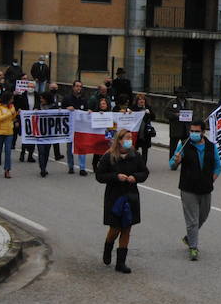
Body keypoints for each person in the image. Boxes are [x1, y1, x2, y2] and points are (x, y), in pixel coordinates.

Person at [94, 128, 149, 274]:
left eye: (130, 138)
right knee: (115, 228)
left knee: (127, 228)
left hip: (131, 196)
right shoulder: (109, 156)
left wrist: (135, 177)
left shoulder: (136, 155)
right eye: (126, 138)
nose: (129, 141)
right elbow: (99, 176)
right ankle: (108, 246)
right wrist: (116, 176)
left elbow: (145, 172)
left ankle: (121, 262)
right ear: (119, 140)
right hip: (115, 196)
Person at [170, 119, 221, 260]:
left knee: (203, 216)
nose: (193, 134)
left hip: (205, 189)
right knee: (192, 220)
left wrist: (212, 179)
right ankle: (193, 247)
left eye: (196, 131)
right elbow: (172, 165)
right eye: (191, 131)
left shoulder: (211, 147)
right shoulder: (184, 145)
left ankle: (189, 237)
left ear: (203, 132)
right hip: (188, 188)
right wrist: (176, 160)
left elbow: (218, 166)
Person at [61, 80, 89, 175]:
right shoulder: (67, 98)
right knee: (70, 148)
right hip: (70, 127)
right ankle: (71, 166)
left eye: (80, 86)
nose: (78, 88)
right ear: (73, 87)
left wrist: (89, 111)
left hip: (81, 128)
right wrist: (66, 109)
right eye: (77, 86)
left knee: (82, 147)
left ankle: (82, 168)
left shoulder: (84, 99)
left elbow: (86, 111)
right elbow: (59, 110)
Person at [0, 90, 18, 178]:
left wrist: (16, 114)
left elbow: (12, 117)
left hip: (9, 132)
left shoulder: (12, 107)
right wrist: (9, 113)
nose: (12, 101)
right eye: (11, 99)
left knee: (8, 151)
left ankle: (7, 170)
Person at [132, 93, 156, 163]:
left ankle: (143, 165)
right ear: (137, 101)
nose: (141, 101)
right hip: (136, 132)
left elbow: (153, 117)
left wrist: (149, 113)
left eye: (143, 99)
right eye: (139, 99)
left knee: (145, 150)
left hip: (145, 133)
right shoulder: (133, 108)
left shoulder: (148, 107)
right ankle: (135, 164)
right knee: (134, 150)